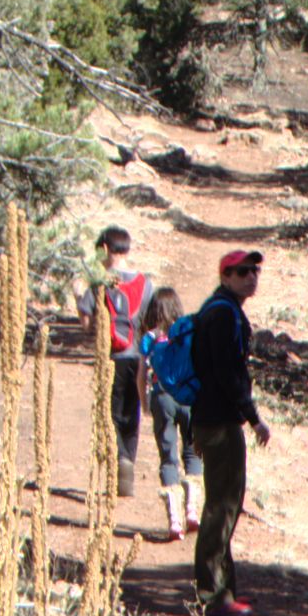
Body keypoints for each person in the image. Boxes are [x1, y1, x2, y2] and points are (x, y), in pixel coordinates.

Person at [190, 248, 272, 616]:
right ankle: (212, 595)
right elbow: (228, 375)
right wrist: (253, 417)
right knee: (221, 507)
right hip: (220, 423)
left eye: (254, 270)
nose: (250, 277)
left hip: (213, 419)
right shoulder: (222, 315)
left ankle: (224, 591)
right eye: (241, 272)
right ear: (225, 276)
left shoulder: (221, 309)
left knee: (225, 506)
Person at [75, 225, 153, 498]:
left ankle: (118, 460)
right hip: (138, 356)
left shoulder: (101, 283)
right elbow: (151, 322)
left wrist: (77, 295)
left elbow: (87, 325)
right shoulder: (145, 283)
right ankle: (128, 462)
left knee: (111, 413)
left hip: (110, 356)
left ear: (106, 249)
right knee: (132, 412)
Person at [137, 286, 205, 542]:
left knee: (168, 457)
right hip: (188, 399)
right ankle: (192, 510)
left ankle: (174, 520)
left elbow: (142, 374)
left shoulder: (150, 338)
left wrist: (144, 403)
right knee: (192, 452)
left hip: (162, 398)